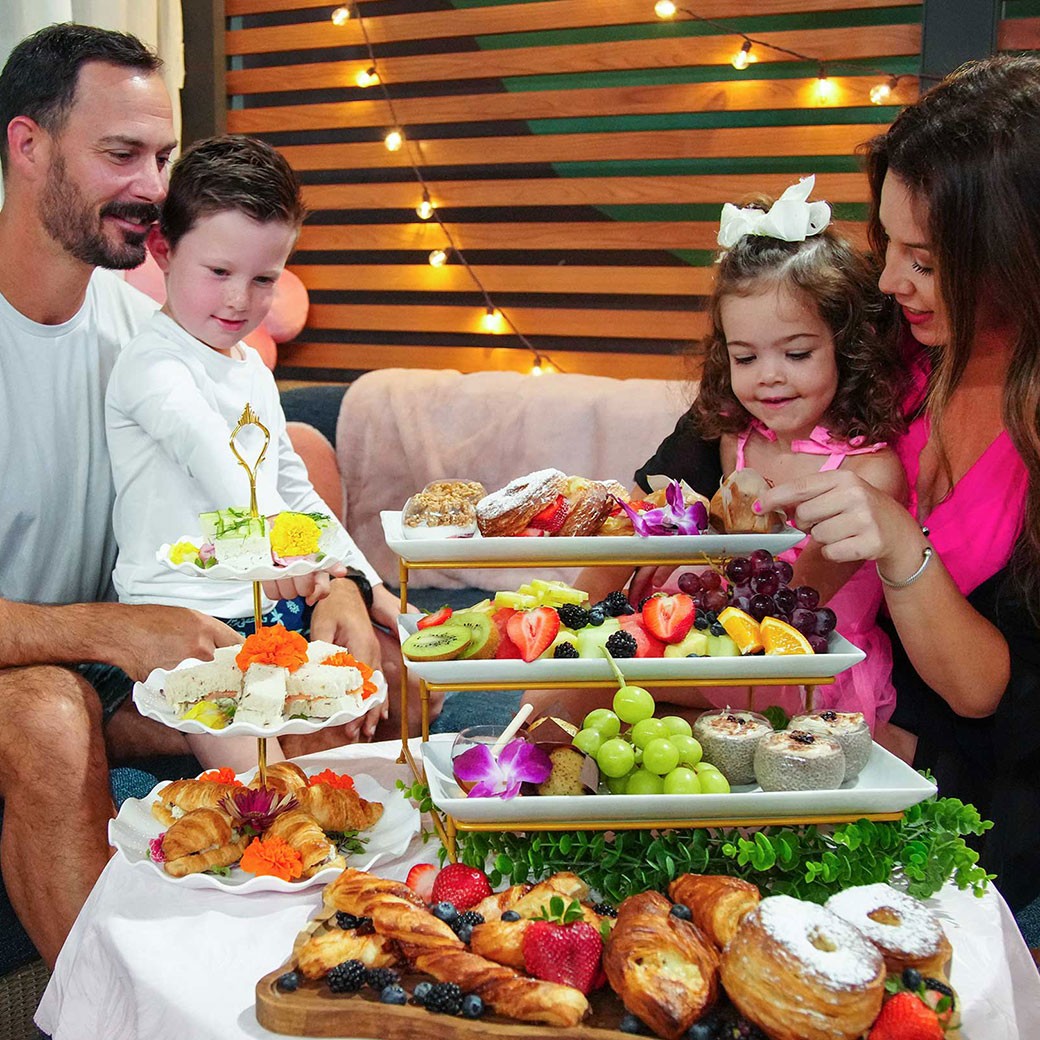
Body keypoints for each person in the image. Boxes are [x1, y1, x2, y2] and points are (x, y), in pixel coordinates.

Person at [756, 55, 1040, 924]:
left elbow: (989, 693)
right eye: (889, 245)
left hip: (993, 834)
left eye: (926, 257)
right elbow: (705, 440)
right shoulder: (898, 340)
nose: (888, 281)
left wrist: (898, 541)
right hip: (847, 765)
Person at [526, 178, 908, 730]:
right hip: (726, 652)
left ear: (845, 347)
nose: (770, 377)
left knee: (589, 688)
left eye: (797, 353)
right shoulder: (738, 440)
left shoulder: (870, 470)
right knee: (574, 696)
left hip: (805, 671)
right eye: (746, 357)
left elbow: (787, 602)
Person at [104, 134, 387, 771]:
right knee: (255, 764)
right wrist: (271, 545)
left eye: (264, 279)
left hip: (263, 606)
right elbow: (210, 452)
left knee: (365, 706)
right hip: (177, 617)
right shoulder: (151, 364)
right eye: (219, 273)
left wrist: (366, 584)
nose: (240, 300)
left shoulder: (249, 368)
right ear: (163, 250)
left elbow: (293, 487)